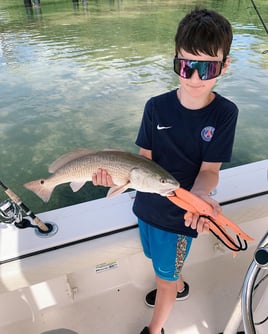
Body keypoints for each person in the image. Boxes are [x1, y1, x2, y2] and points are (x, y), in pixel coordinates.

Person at [92, 8, 238, 334]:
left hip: (179, 218)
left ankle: (154, 329)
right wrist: (112, 178)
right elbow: (142, 161)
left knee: (164, 282)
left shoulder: (225, 113)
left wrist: (199, 197)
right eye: (186, 65)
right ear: (175, 60)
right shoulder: (155, 106)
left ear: (224, 66)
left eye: (207, 67)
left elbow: (211, 171)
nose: (195, 78)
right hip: (145, 205)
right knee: (155, 258)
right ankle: (178, 280)